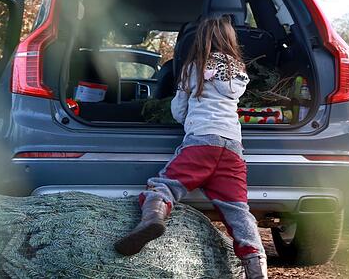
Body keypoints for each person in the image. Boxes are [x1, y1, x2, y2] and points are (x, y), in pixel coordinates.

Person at [114, 15, 268, 278]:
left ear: (199, 41)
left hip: (201, 143)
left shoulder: (192, 68)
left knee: (165, 185)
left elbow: (178, 111)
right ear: (231, 40)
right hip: (232, 149)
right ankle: (257, 266)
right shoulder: (238, 72)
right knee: (238, 210)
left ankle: (152, 218)